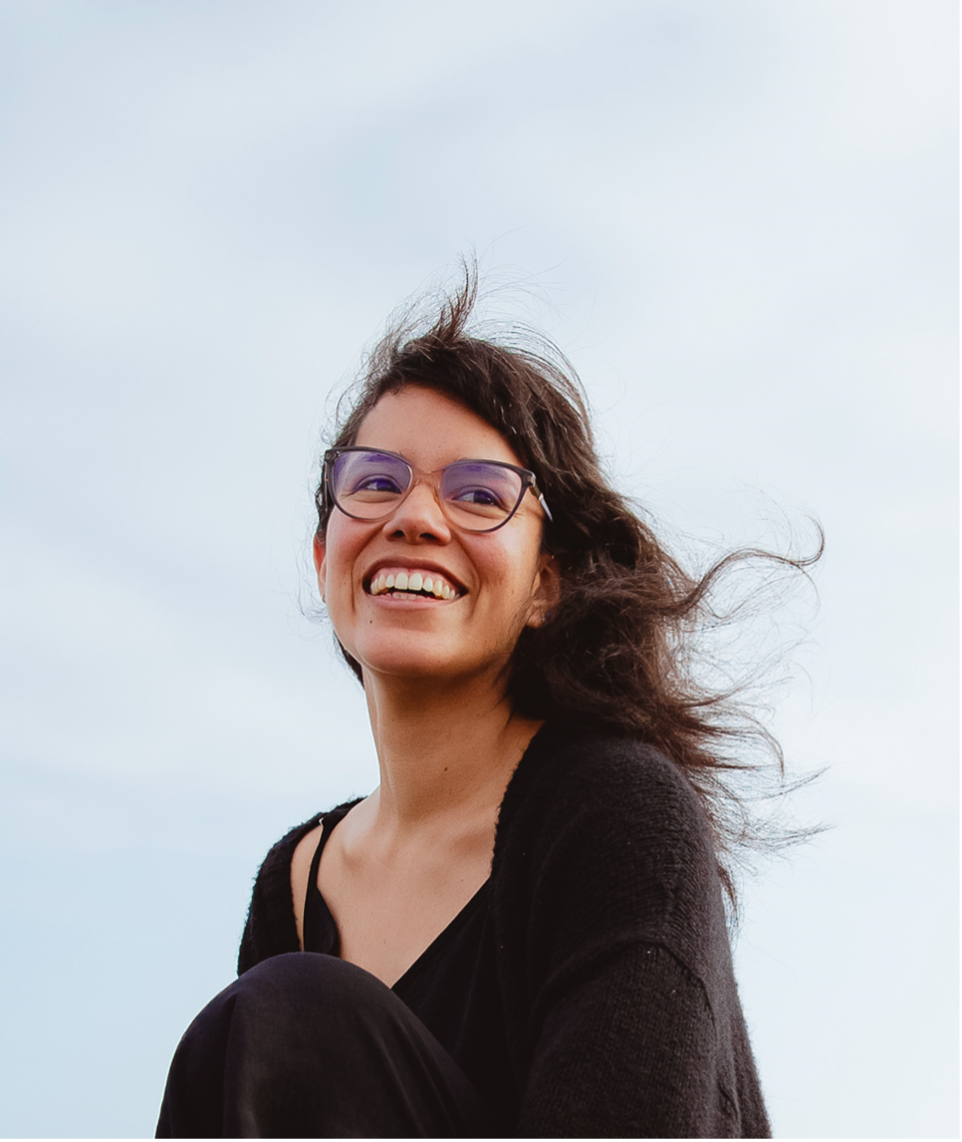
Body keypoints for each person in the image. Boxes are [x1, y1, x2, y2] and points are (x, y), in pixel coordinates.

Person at [157, 271, 813, 1138]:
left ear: (547, 583)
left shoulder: (617, 816)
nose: (415, 518)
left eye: (478, 495)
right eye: (375, 482)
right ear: (324, 557)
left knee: (288, 1016)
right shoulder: (297, 884)